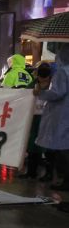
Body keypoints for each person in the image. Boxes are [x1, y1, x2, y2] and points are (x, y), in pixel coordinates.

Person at [34, 47, 69, 191]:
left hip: (61, 114)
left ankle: (65, 180)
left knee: (62, 149)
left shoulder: (63, 72)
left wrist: (41, 92)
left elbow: (57, 93)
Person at [18, 62, 50, 179]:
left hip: (47, 118)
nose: (42, 81)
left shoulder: (54, 85)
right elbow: (24, 94)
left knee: (45, 146)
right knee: (32, 144)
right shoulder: (34, 84)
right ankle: (31, 172)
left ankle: (48, 173)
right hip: (34, 116)